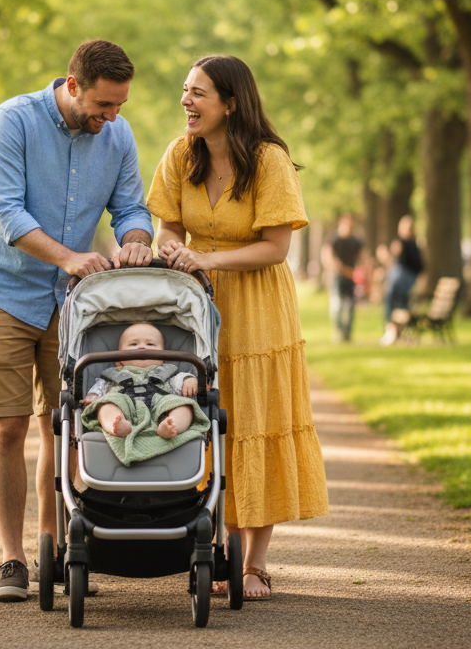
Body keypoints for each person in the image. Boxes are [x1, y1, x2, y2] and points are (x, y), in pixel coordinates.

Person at [0, 39, 155, 603]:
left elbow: (130, 207)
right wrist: (70, 257)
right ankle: (11, 558)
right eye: (103, 105)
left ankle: (55, 552)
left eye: (119, 105)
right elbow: (6, 213)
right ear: (73, 86)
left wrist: (136, 239)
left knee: (65, 424)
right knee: (8, 427)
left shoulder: (118, 135)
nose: (112, 117)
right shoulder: (12, 121)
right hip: (4, 290)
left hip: (72, 302)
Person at [148, 54, 329, 601]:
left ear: (230, 103)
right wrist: (174, 251)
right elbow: (167, 228)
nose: (186, 101)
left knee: (253, 420)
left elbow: (276, 248)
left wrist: (208, 259)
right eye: (185, 90)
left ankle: (255, 563)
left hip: (255, 306)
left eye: (198, 92)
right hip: (195, 306)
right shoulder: (181, 154)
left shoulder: (269, 160)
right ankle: (215, 551)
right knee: (203, 417)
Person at [82, 323, 210, 464]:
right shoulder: (110, 376)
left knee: (184, 405)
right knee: (105, 405)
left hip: (160, 407)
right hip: (124, 407)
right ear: (119, 357)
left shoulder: (169, 373)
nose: (142, 348)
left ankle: (172, 424)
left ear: (163, 356)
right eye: (133, 344)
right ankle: (115, 423)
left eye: (150, 344)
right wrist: (92, 397)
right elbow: (97, 390)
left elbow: (182, 380)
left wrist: (190, 380)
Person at [379, 215, 425, 346]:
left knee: (398, 300)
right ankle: (392, 329)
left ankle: (394, 329)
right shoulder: (401, 242)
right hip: (402, 279)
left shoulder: (412, 244)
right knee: (397, 300)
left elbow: (418, 265)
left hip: (405, 278)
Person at [321, 213, 364, 342]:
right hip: (337, 276)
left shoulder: (355, 240)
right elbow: (327, 256)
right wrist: (339, 268)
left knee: (350, 306)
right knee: (337, 305)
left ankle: (347, 333)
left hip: (350, 277)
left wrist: (359, 271)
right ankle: (338, 331)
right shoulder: (333, 238)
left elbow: (362, 256)